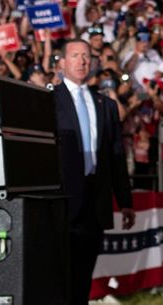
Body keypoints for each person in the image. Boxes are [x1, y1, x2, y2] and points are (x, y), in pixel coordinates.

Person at [54, 39, 135, 305]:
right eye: (75, 55)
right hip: (61, 203)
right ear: (62, 62)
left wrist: (125, 201)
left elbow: (115, 155)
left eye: (86, 56)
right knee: (58, 275)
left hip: (94, 202)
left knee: (83, 276)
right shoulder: (48, 100)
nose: (81, 61)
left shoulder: (105, 105)